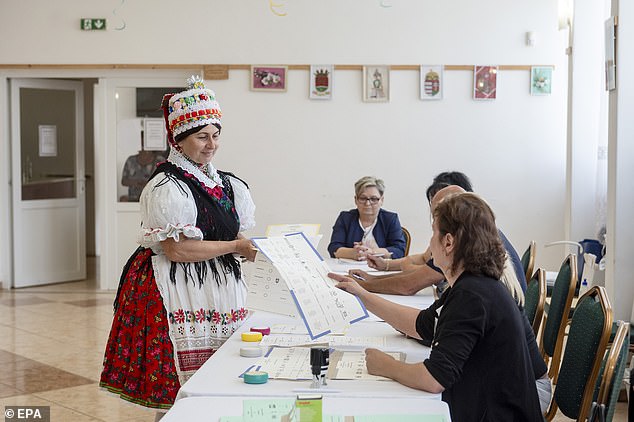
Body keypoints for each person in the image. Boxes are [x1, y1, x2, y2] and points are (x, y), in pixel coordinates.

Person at [100, 76, 258, 413]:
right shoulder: (167, 187)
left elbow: (235, 235)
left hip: (218, 289)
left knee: (221, 371)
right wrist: (234, 248)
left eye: (215, 136)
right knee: (177, 384)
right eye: (202, 137)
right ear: (179, 140)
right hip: (174, 289)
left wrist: (256, 247)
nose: (211, 144)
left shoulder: (228, 185)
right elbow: (177, 250)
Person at [329, 193, 543, 421]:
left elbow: (433, 379)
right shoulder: (471, 284)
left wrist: (386, 366)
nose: (430, 244)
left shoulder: (472, 294)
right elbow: (422, 325)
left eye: (433, 233)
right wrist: (361, 294)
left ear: (448, 242)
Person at [350, 172, 527, 295]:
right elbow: (422, 262)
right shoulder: (482, 232)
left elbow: (410, 284)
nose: (434, 219)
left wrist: (366, 286)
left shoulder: (464, 243)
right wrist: (381, 271)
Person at [327, 176, 406, 260]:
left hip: (381, 270)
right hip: (347, 269)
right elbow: (334, 248)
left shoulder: (390, 219)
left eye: (374, 199)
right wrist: (354, 253)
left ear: (382, 200)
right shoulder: (345, 218)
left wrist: (372, 252)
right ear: (356, 200)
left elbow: (399, 250)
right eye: (363, 198)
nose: (368, 203)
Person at [120, 132, 166, 202]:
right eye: (141, 142)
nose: (143, 146)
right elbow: (123, 181)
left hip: (153, 199)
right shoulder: (131, 160)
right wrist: (136, 183)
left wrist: (149, 184)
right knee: (123, 199)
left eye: (145, 142)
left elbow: (165, 182)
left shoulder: (160, 161)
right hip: (134, 198)